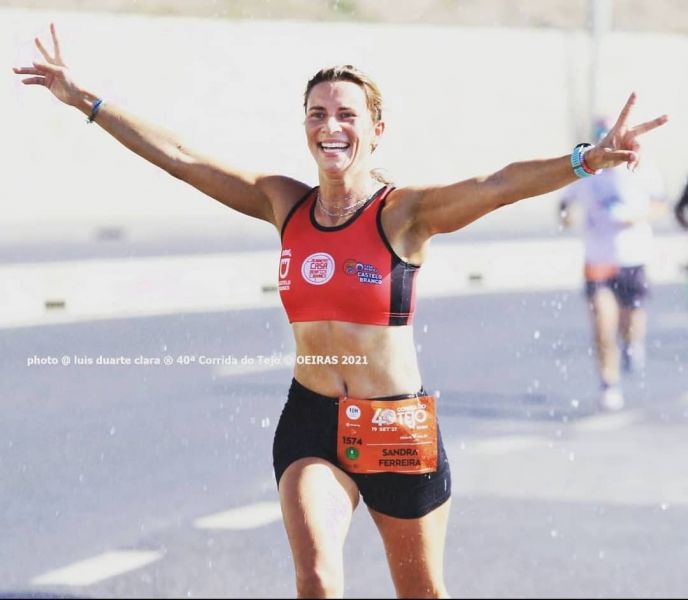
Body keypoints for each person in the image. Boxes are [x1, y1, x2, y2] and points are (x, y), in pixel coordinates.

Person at [13, 24, 668, 599]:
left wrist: (585, 161)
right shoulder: (283, 203)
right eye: (317, 113)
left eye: (347, 114)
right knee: (318, 580)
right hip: (312, 422)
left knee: (422, 590)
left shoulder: (404, 213)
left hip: (394, 427)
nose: (331, 126)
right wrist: (86, 101)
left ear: (376, 130)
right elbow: (183, 158)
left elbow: (494, 186)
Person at [559, 118, 667, 412]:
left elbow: (661, 205)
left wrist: (636, 215)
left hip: (633, 257)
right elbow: (564, 205)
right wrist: (568, 218)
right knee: (602, 325)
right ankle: (609, 383)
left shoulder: (640, 168)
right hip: (598, 260)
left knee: (631, 321)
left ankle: (632, 346)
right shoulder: (587, 172)